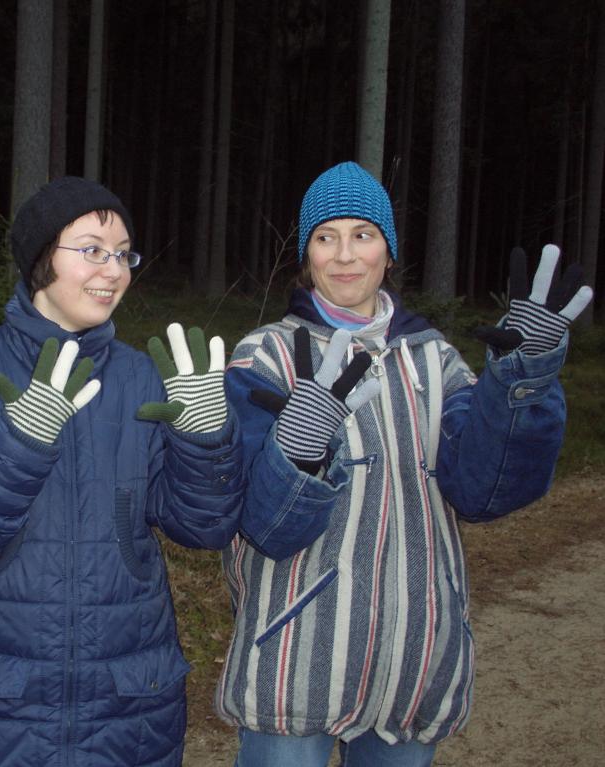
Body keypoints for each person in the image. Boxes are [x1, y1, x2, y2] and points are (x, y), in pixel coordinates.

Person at [215, 161, 592, 766]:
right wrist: (302, 449)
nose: (345, 255)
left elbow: (486, 491)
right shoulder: (264, 356)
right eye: (325, 236)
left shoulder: (434, 359)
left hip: (413, 652)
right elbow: (263, 524)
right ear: (305, 253)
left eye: (363, 235)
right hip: (297, 652)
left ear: (388, 253)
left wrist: (523, 380)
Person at [0, 176, 246, 766]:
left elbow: (203, 528)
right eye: (92, 249)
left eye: (123, 254)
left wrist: (205, 439)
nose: (114, 270)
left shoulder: (143, 378)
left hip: (127, 694)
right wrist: (23, 436)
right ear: (42, 257)